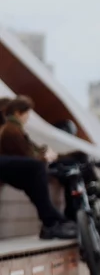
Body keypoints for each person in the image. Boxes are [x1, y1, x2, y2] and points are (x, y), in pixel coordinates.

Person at [0, 97, 76, 239]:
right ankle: (52, 222)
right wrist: (45, 157)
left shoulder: (14, 129)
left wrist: (45, 154)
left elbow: (31, 152)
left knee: (34, 173)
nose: (28, 118)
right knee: (35, 168)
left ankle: (54, 220)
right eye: (27, 114)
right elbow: (27, 154)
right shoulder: (11, 130)